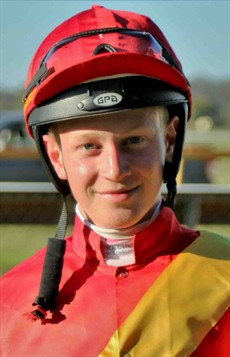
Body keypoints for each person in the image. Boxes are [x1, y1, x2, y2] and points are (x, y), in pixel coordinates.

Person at [0, 4, 229, 356]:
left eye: (134, 140)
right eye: (89, 146)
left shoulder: (224, 279)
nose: (115, 169)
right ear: (57, 157)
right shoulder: (6, 305)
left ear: (169, 141)